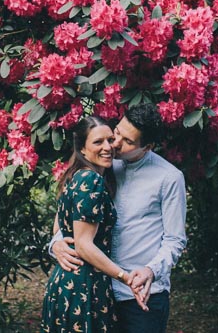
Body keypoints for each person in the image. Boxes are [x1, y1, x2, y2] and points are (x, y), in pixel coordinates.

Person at [50, 104, 187, 333]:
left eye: (128, 142)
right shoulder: (103, 163)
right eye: (118, 133)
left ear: (147, 147)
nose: (115, 144)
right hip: (99, 293)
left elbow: (175, 240)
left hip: (141, 296)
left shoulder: (169, 178)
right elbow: (68, 208)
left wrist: (150, 270)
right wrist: (56, 243)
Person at [41, 116, 145, 333]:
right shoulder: (91, 180)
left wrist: (58, 244)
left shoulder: (75, 175)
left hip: (68, 281)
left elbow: (58, 227)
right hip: (83, 284)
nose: (108, 147)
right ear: (83, 149)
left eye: (110, 139)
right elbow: (84, 245)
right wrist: (126, 278)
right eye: (98, 142)